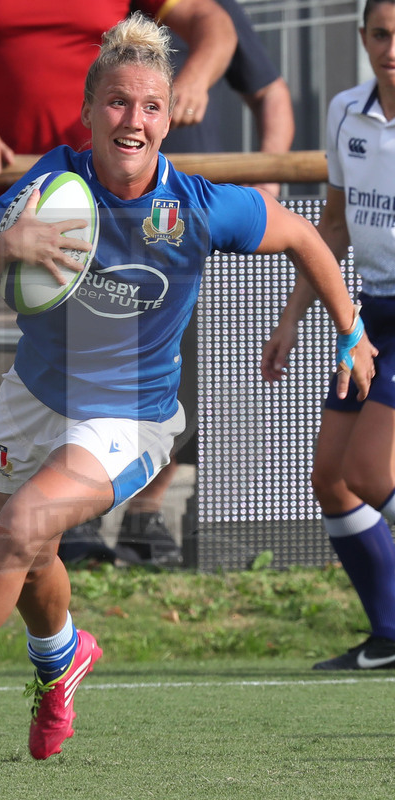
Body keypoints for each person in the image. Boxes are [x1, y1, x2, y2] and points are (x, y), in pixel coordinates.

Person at [0, 13, 373, 759]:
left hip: (131, 420)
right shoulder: (52, 184)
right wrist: (9, 244)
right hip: (33, 399)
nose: (134, 120)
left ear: (169, 117)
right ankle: (61, 659)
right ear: (90, 108)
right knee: (28, 553)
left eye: (151, 106)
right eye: (119, 102)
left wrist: (350, 331)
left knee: (23, 528)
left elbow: (299, 235)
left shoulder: (195, 206)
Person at [0, 0, 238, 569]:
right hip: (6, 192)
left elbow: (215, 23)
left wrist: (190, 82)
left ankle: (75, 517)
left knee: (122, 348)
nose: (136, 113)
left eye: (149, 107)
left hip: (109, 198)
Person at [103, 0, 296, 566]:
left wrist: (268, 182)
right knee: (90, 368)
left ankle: (143, 514)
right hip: (99, 211)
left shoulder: (204, 12)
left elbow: (272, 93)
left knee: (184, 373)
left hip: (182, 225)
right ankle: (77, 520)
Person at [261, 0, 395, 670]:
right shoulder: (346, 111)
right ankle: (391, 634)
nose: (392, 49)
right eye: (382, 34)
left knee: (369, 470)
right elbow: (333, 227)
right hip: (373, 315)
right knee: (332, 480)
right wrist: (291, 318)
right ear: (363, 36)